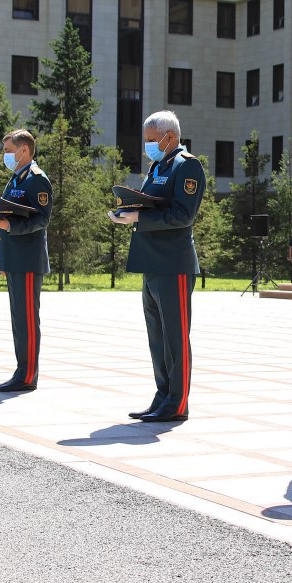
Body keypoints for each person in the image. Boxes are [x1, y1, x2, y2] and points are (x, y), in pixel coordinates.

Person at [109, 110, 205, 423]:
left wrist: (141, 217)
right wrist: (129, 212)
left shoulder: (186, 165)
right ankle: (162, 396)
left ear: (170, 137)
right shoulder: (158, 165)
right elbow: (151, 204)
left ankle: (177, 404)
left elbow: (183, 215)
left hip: (173, 263)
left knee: (175, 337)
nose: (148, 145)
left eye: (152, 140)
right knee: (157, 336)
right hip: (152, 262)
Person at [0, 129, 52, 393]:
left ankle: (27, 376)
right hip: (15, 259)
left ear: (23, 150)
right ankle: (21, 371)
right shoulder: (16, 179)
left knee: (26, 320)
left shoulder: (36, 180)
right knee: (18, 320)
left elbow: (41, 219)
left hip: (28, 260)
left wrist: (8, 225)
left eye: (7, 150)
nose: (4, 155)